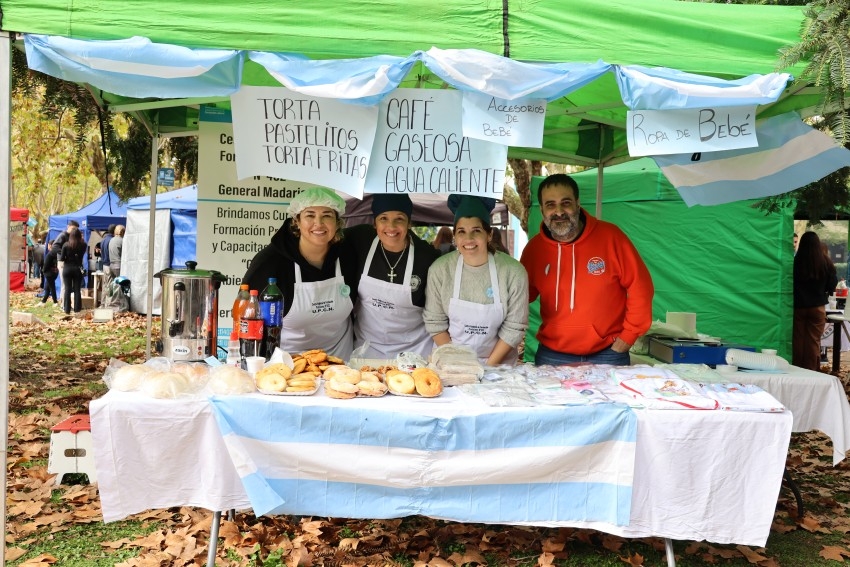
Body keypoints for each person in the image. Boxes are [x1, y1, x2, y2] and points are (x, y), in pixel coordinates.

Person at [520, 173, 654, 366]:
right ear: (542, 210)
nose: (559, 211)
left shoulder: (611, 237)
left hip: (608, 353)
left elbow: (640, 286)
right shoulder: (534, 249)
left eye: (565, 202)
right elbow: (521, 296)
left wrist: (629, 335)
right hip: (552, 355)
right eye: (550, 205)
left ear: (577, 203)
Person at [242, 187, 356, 359]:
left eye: (327, 215)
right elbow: (248, 316)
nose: (319, 223)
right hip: (288, 366)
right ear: (297, 221)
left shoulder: (348, 255)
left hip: (340, 365)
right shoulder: (271, 262)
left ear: (337, 222)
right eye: (310, 215)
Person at [424, 195, 529, 365]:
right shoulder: (440, 269)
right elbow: (435, 322)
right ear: (454, 237)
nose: (468, 239)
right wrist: (461, 365)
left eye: (476, 231)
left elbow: (514, 327)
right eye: (461, 232)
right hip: (451, 364)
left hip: (498, 370)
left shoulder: (514, 272)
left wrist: (486, 369)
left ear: (489, 234)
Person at [342, 193, 441, 358]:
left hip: (415, 352)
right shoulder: (359, 241)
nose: (391, 226)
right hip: (367, 351)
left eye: (399, 219)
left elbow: (437, 313)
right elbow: (323, 236)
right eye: (383, 219)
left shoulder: (427, 257)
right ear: (374, 223)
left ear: (409, 223)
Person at [793, 231, 838, 371]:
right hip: (817, 307)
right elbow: (832, 285)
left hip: (799, 306)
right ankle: (811, 371)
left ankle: (796, 369)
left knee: (798, 340)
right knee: (813, 341)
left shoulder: (796, 261)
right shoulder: (825, 262)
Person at [60, 226, 87, 314]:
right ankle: (77, 309)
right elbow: (82, 256)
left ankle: (67, 309)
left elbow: (61, 259)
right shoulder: (83, 245)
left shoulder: (66, 245)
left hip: (67, 268)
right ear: (79, 235)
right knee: (77, 289)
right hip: (77, 268)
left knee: (67, 289)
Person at [40, 239, 59, 306]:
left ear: (50, 245)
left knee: (52, 288)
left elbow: (46, 265)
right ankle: (43, 301)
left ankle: (55, 302)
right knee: (47, 288)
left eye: (48, 244)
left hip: (49, 273)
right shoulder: (57, 254)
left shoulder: (50, 254)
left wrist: (43, 271)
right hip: (55, 272)